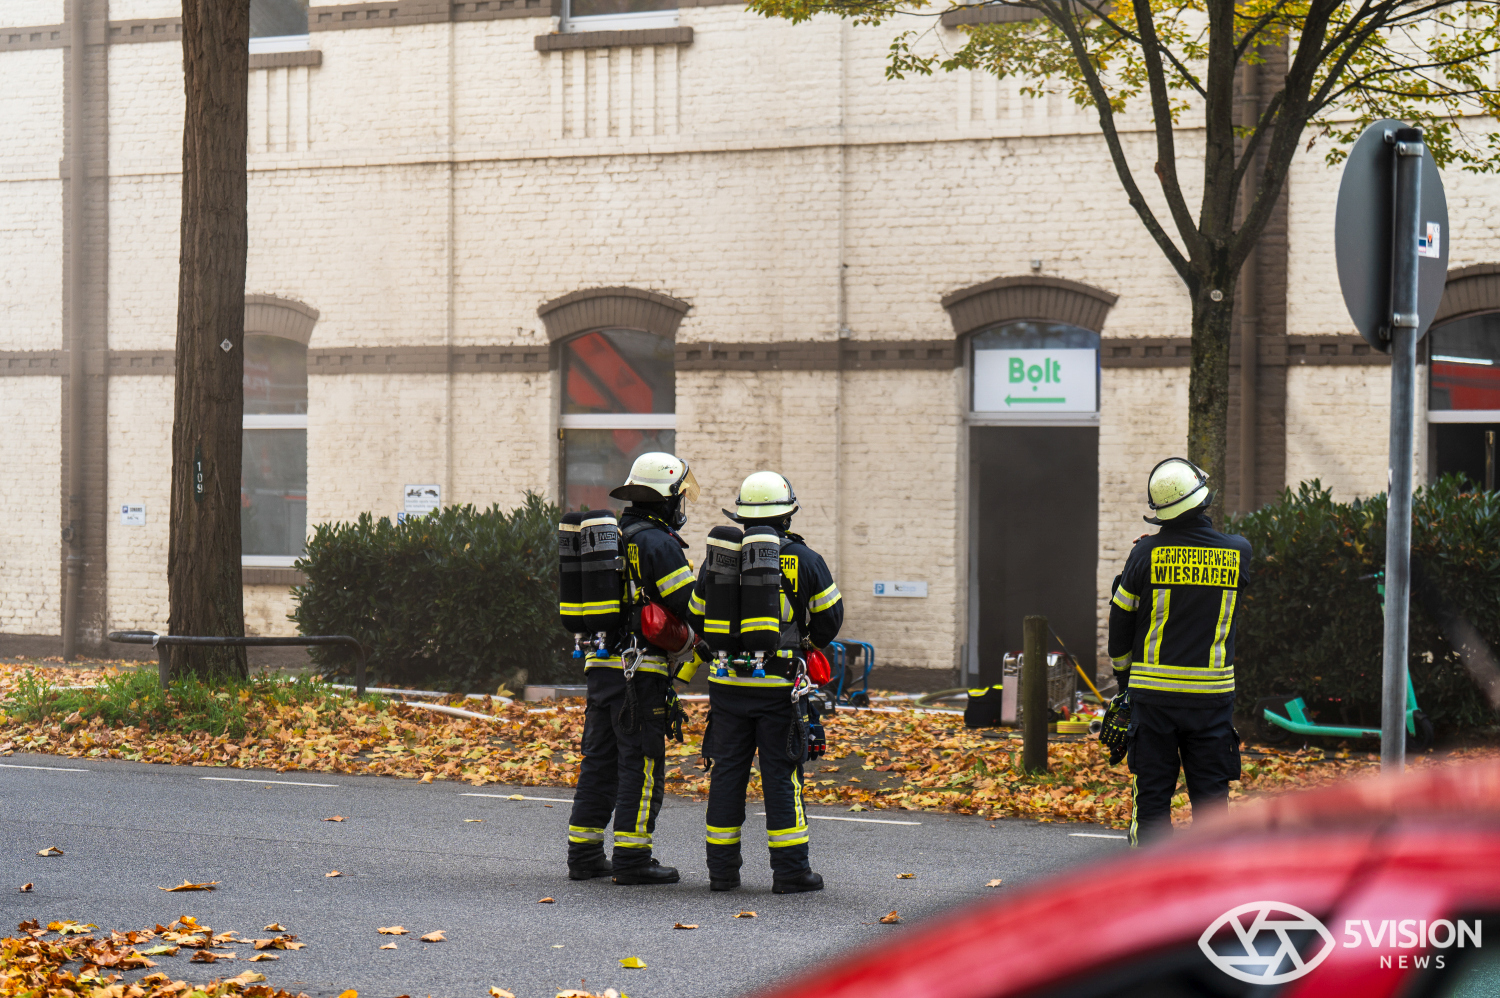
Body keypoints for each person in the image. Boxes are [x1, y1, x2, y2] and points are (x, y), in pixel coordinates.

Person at [689, 471, 843, 893]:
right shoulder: (805, 559)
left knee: (727, 775)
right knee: (781, 775)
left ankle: (722, 873)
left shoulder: (720, 557)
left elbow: (696, 612)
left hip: (726, 686)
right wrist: (805, 643)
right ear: (788, 514)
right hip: (778, 687)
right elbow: (831, 617)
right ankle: (791, 873)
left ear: (740, 516)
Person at [565, 452, 700, 885]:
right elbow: (691, 606)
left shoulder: (613, 537)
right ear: (666, 500)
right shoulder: (658, 544)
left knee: (599, 762)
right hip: (639, 673)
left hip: (600, 665)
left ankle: (583, 855)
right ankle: (632, 858)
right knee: (640, 764)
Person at [1107, 457, 1252, 846]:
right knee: (1211, 803)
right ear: (1202, 500)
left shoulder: (1144, 555)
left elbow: (1119, 629)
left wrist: (1125, 684)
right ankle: (1211, 893)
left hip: (1153, 701)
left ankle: (1151, 890)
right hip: (1211, 703)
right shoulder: (1239, 551)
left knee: (1152, 799)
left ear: (1162, 513)